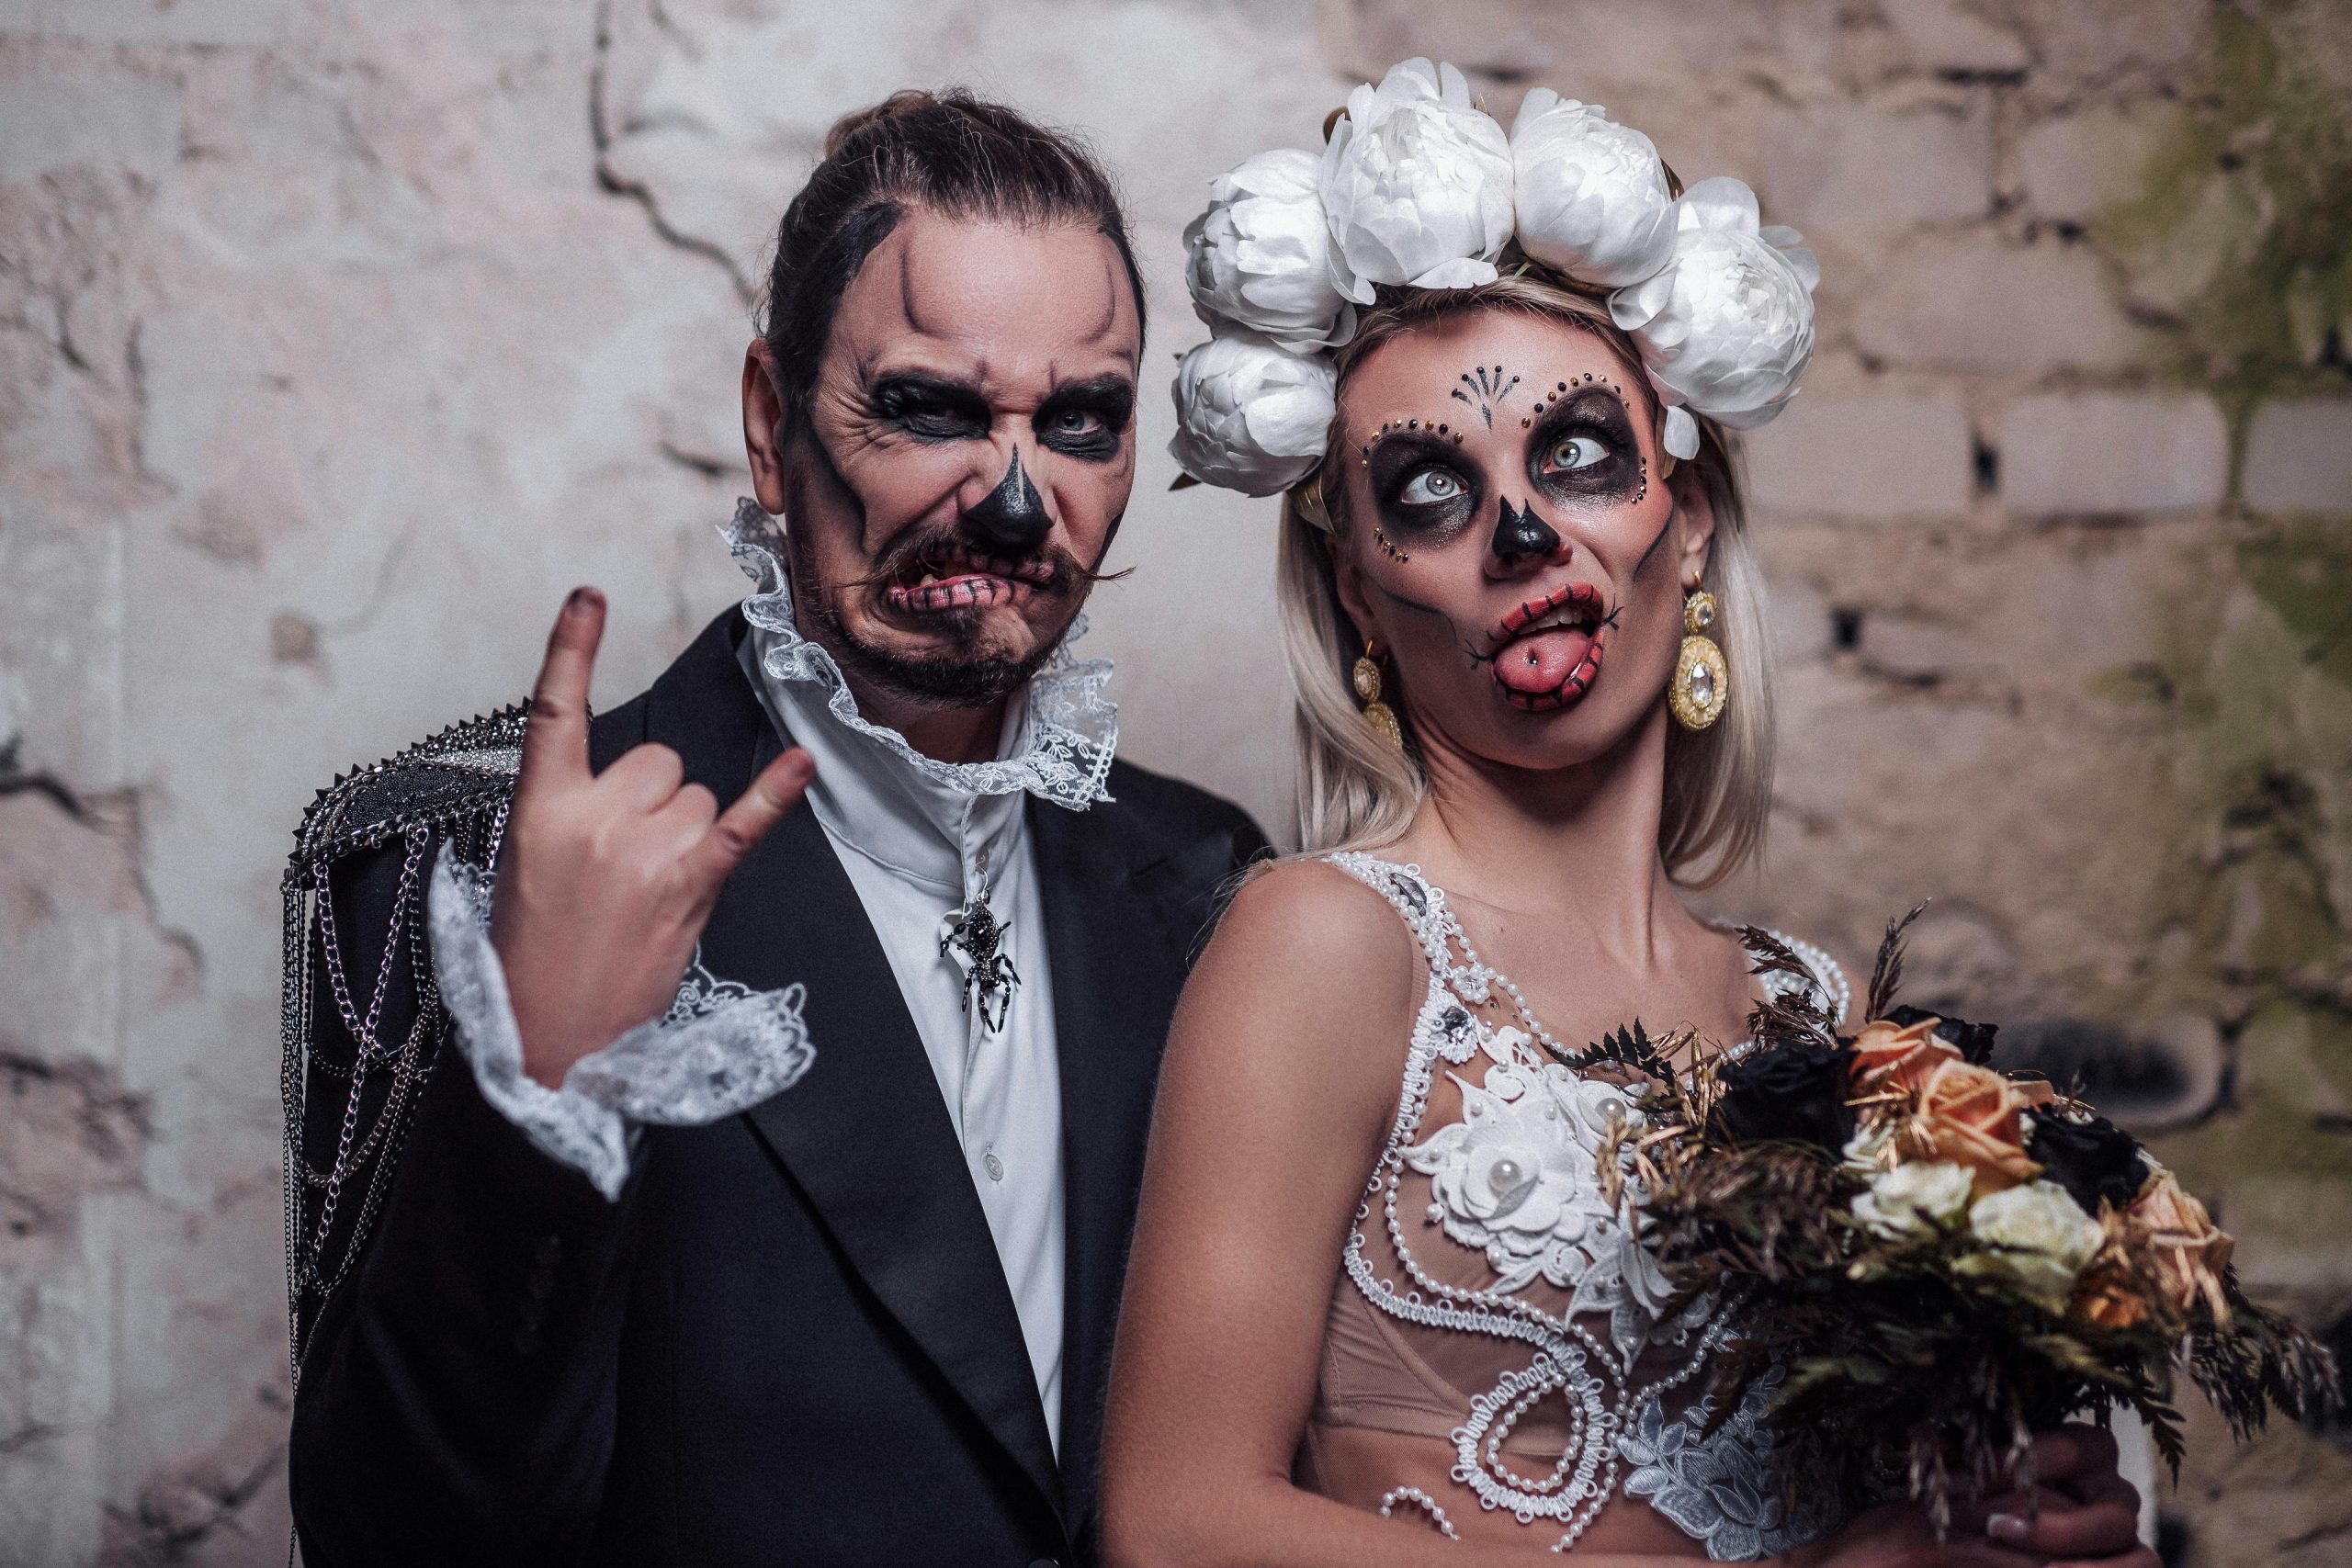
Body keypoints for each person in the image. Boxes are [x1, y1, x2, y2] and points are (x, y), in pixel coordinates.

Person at [1102, 60, 2156, 1566]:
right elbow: (1173, 1526)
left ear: (1694, 505)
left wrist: (2010, 1510)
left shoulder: (1812, 1008)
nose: (1524, 536)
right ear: (1358, 593)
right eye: (1427, 491)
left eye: (1578, 455)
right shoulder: (1324, 947)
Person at [281, 90, 1265, 1567]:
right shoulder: (482, 866)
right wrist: (541, 1085)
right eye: (930, 406)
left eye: (1078, 421)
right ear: (769, 422)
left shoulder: (1210, 886)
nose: (1013, 500)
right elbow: (403, 1541)